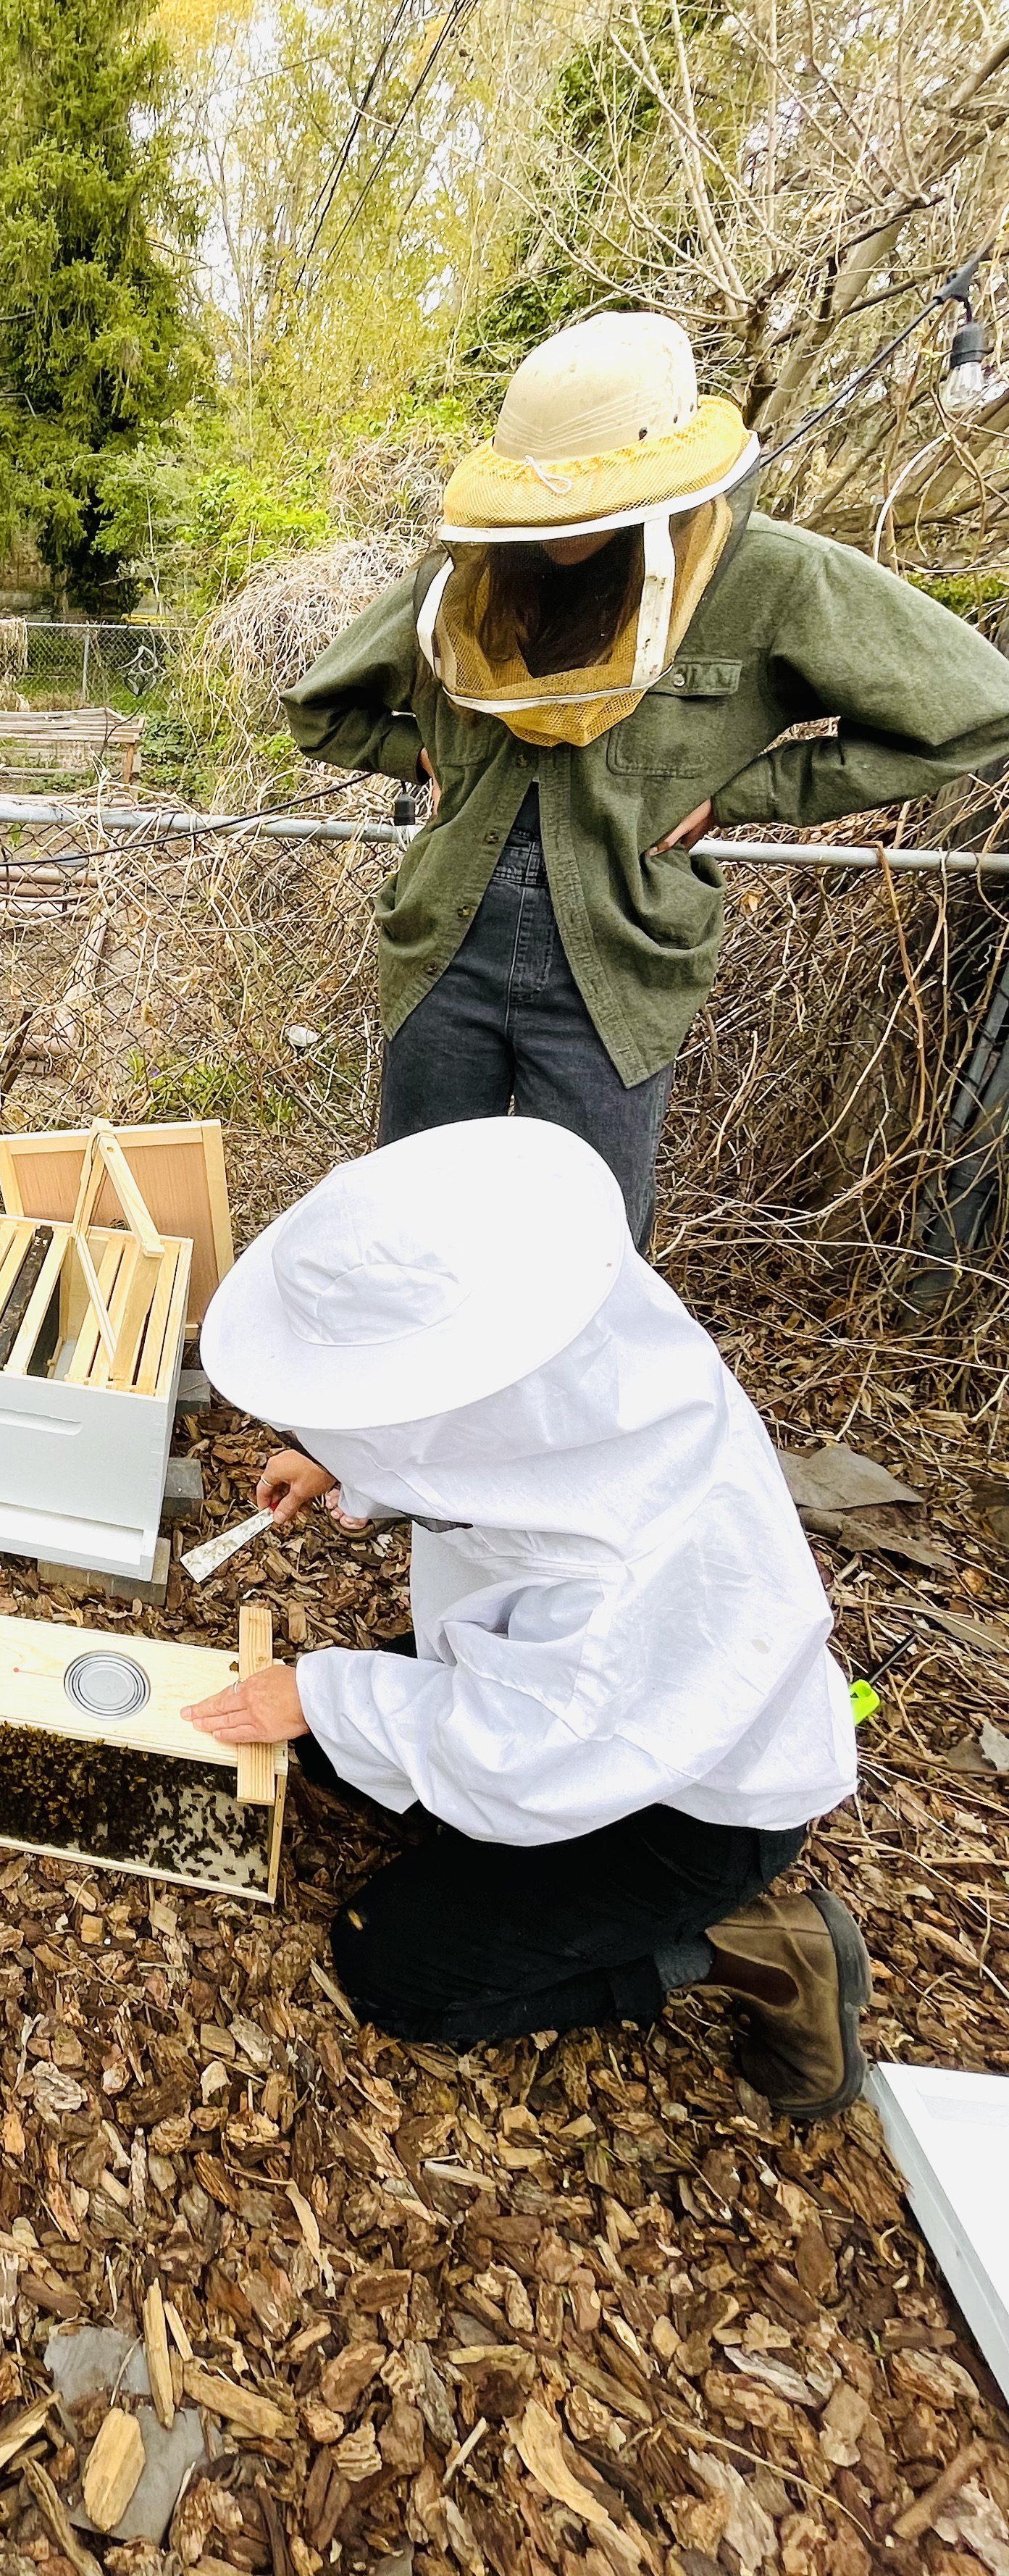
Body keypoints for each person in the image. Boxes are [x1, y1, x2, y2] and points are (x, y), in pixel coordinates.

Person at [182, 1116, 868, 2117]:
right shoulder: (588, 1336)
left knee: (396, 1963)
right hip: (597, 1683)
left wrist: (322, 1689)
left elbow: (520, 1752)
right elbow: (501, 1426)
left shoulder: (620, 1571)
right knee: (325, 1743)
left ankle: (753, 1950)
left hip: (684, 1801)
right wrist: (350, 1461)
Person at [282, 310, 1009, 1241]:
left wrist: (753, 793)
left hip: (620, 965)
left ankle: (559, 1394)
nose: (558, 528)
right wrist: (419, 755)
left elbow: (974, 712)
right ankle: (422, 1393)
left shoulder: (768, 579)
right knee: (413, 1231)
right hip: (442, 951)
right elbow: (319, 709)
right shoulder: (469, 578)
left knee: (588, 1251)